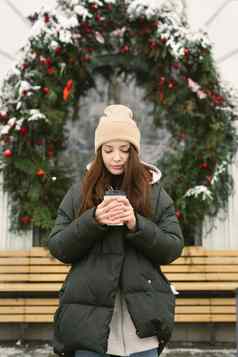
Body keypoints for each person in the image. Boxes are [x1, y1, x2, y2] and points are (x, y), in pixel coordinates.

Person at [48, 104, 184, 357]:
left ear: (134, 152)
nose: (117, 157)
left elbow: (173, 247)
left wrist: (137, 225)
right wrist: (94, 220)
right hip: (87, 323)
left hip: (141, 322)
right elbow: (58, 246)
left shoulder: (154, 193)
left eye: (124, 150)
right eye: (108, 150)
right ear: (99, 152)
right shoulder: (79, 192)